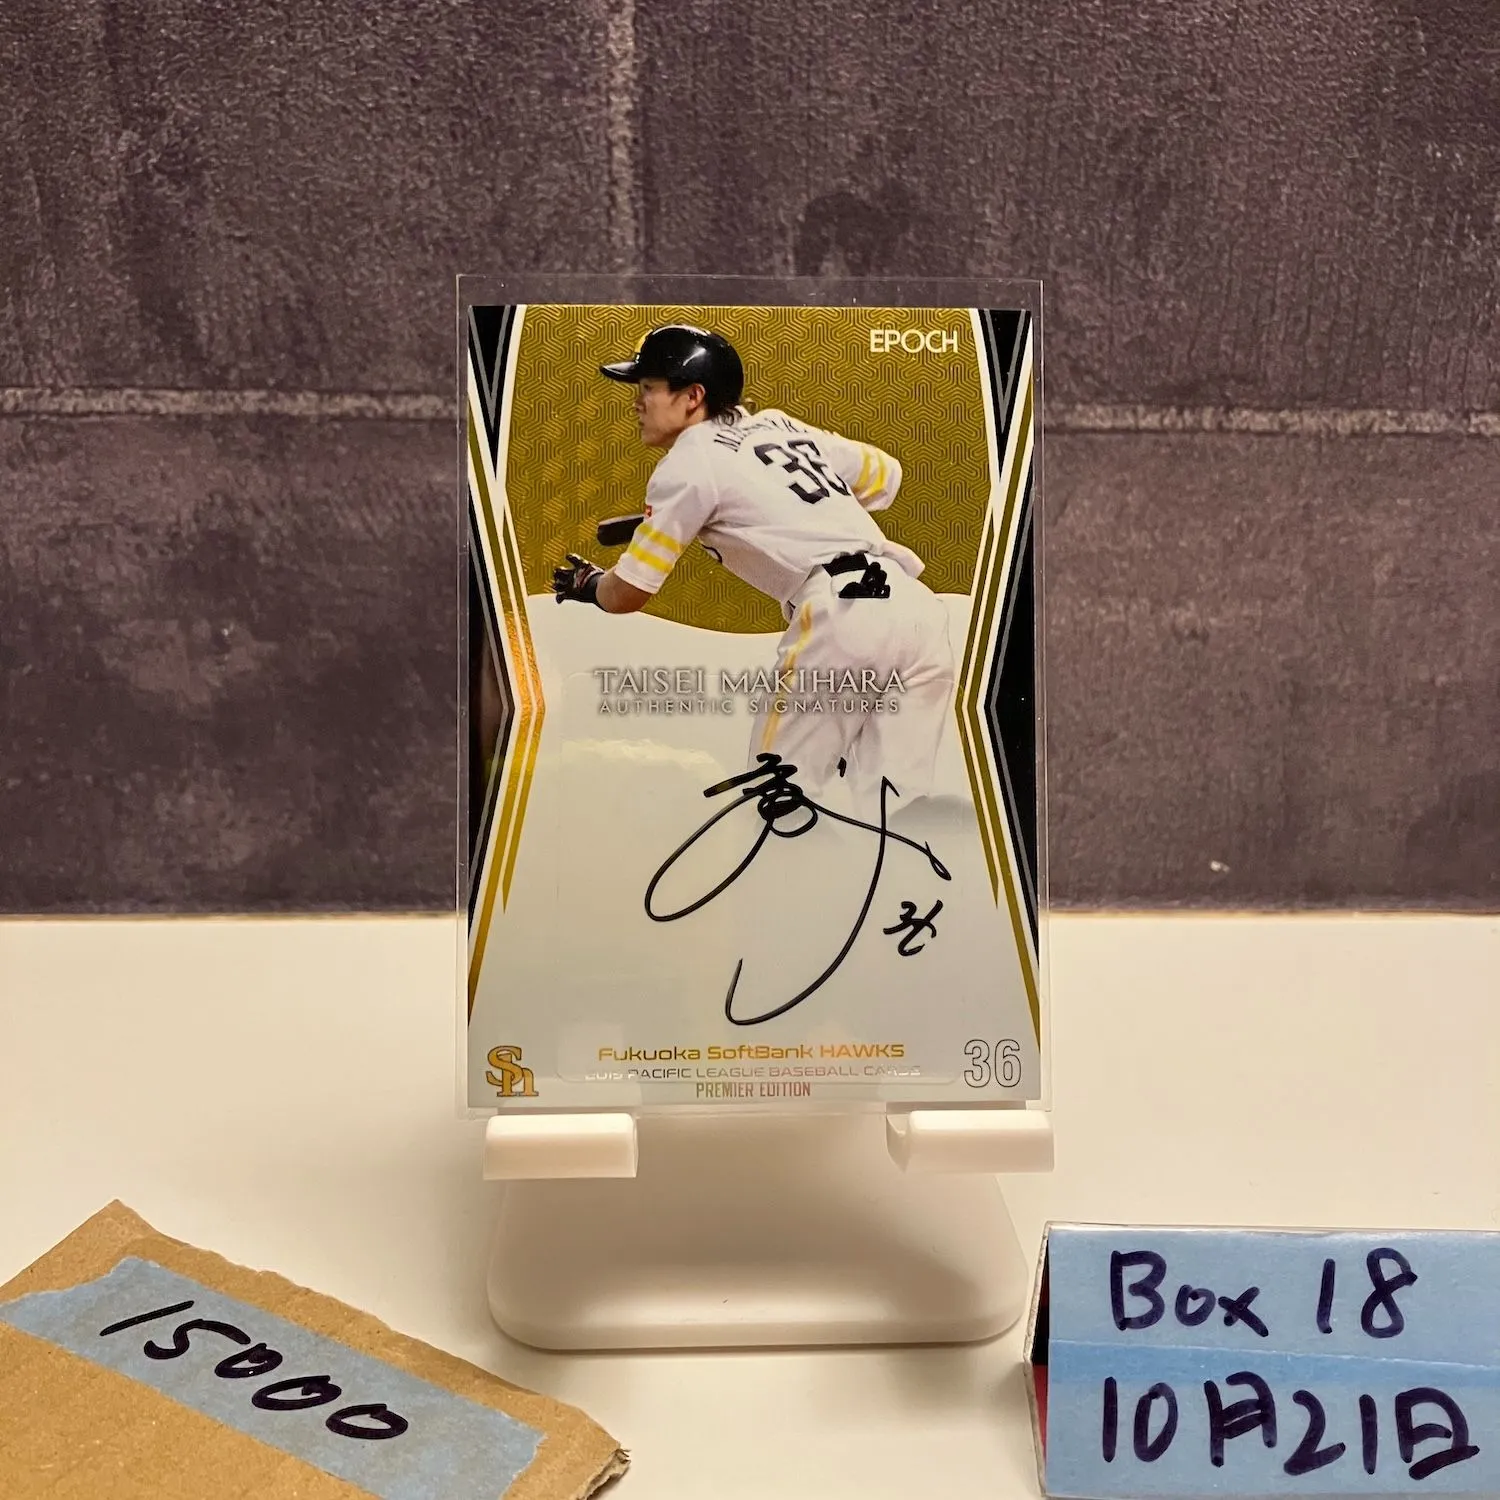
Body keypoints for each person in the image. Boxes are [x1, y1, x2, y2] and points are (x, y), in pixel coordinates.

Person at [552, 324, 954, 804]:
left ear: (693, 396)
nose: (637, 403)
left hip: (846, 617)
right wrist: (778, 501)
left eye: (648, 388)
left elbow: (628, 594)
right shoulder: (779, 425)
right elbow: (885, 475)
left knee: (777, 801)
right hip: (918, 612)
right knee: (895, 806)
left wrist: (590, 584)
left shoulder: (687, 464)